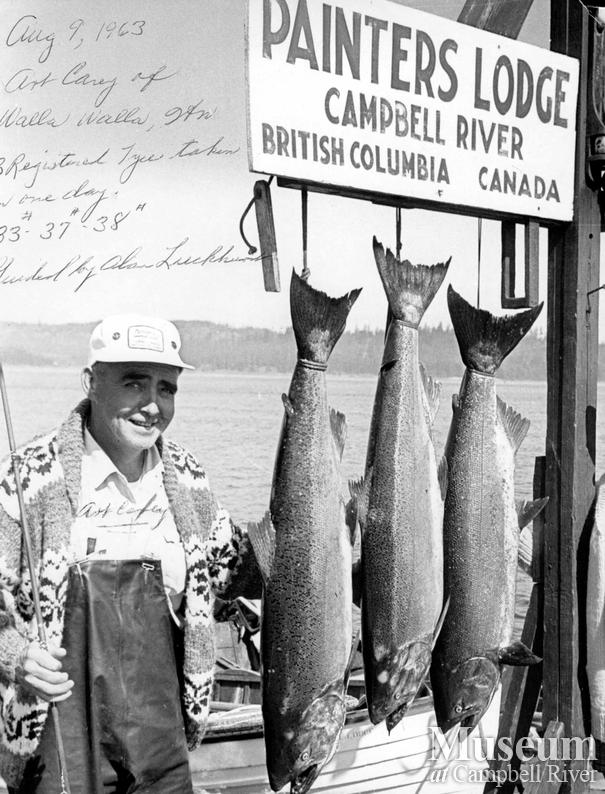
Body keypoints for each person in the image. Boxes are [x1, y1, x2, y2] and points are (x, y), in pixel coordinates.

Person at [0, 314, 261, 794]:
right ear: (91, 382)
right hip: (55, 743)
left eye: (167, 388)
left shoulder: (186, 477)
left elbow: (239, 574)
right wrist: (17, 657)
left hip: (160, 746)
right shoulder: (31, 478)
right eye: (133, 383)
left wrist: (338, 549)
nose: (152, 406)